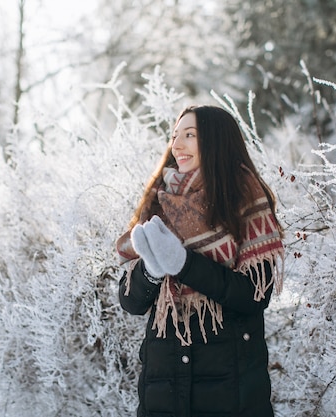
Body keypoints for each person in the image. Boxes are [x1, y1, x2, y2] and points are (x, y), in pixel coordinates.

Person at [116, 105, 284, 417]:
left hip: (231, 396)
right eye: (174, 137)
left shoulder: (245, 200)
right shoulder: (160, 203)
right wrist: (151, 270)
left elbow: (254, 294)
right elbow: (130, 301)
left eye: (189, 136)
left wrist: (183, 264)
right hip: (163, 397)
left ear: (217, 141)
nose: (176, 145)